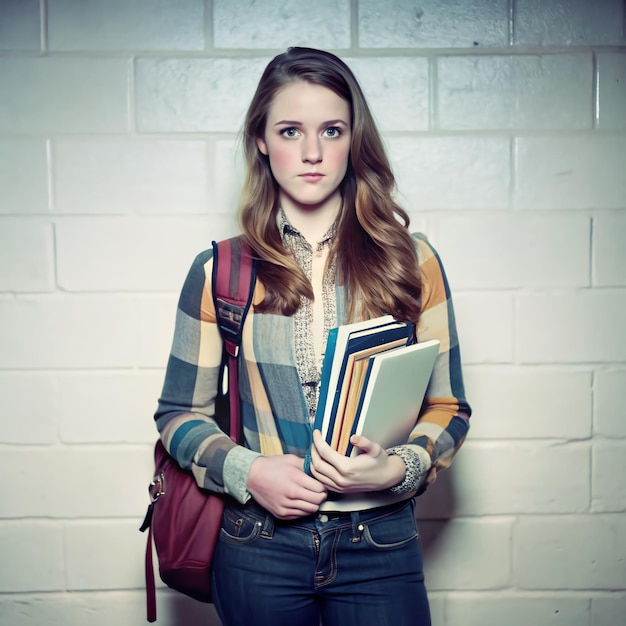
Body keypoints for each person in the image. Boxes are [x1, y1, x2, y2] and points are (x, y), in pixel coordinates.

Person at [154, 47, 471, 626]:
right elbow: (179, 414)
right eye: (290, 130)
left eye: (331, 130)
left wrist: (398, 466)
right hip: (258, 543)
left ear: (354, 140)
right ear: (261, 139)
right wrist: (248, 471)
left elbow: (449, 407)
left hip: (381, 541)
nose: (311, 152)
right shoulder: (219, 270)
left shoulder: (412, 260)